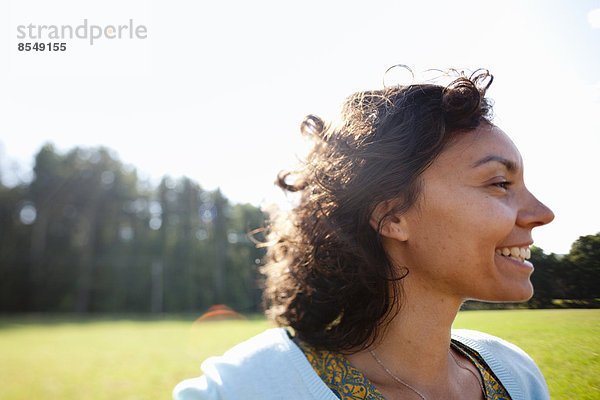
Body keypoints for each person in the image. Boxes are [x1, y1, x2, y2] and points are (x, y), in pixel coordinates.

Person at [173, 68, 554, 400]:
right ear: (391, 214)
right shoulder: (243, 389)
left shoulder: (517, 376)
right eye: (500, 183)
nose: (542, 214)